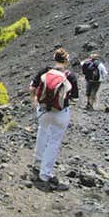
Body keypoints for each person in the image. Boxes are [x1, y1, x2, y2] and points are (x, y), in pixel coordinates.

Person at [29, 48, 79, 191]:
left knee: (42, 132)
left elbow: (32, 87)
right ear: (66, 61)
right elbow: (74, 96)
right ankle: (45, 174)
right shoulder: (70, 75)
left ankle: (37, 163)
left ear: (54, 58)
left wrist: (34, 103)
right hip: (60, 112)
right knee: (54, 141)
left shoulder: (45, 71)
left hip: (43, 110)